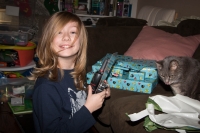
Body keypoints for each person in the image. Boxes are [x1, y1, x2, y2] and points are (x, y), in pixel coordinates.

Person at [30, 11, 110, 133]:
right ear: (48, 41)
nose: (66, 37)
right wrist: (88, 109)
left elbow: (76, 107)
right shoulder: (46, 87)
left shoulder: (78, 73)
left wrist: (97, 95)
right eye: (59, 32)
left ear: (81, 41)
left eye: (73, 32)